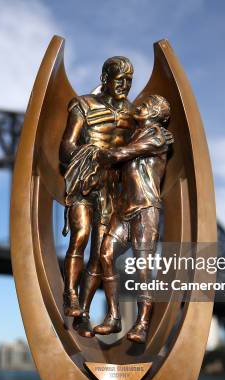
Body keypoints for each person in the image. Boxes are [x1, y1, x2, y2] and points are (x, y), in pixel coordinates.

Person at [59, 56, 135, 337]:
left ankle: (85, 316)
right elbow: (66, 147)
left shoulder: (132, 114)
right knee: (80, 234)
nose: (125, 86)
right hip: (85, 182)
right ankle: (70, 295)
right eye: (120, 80)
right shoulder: (83, 105)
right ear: (105, 79)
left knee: (99, 255)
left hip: (111, 189)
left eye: (129, 81)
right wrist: (90, 155)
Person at [94, 94, 174, 342]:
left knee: (142, 268)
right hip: (124, 209)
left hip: (146, 208)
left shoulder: (158, 136)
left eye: (147, 106)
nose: (140, 106)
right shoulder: (133, 135)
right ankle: (114, 317)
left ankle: (142, 323)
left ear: (157, 115)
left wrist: (100, 153)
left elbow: (122, 155)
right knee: (105, 254)